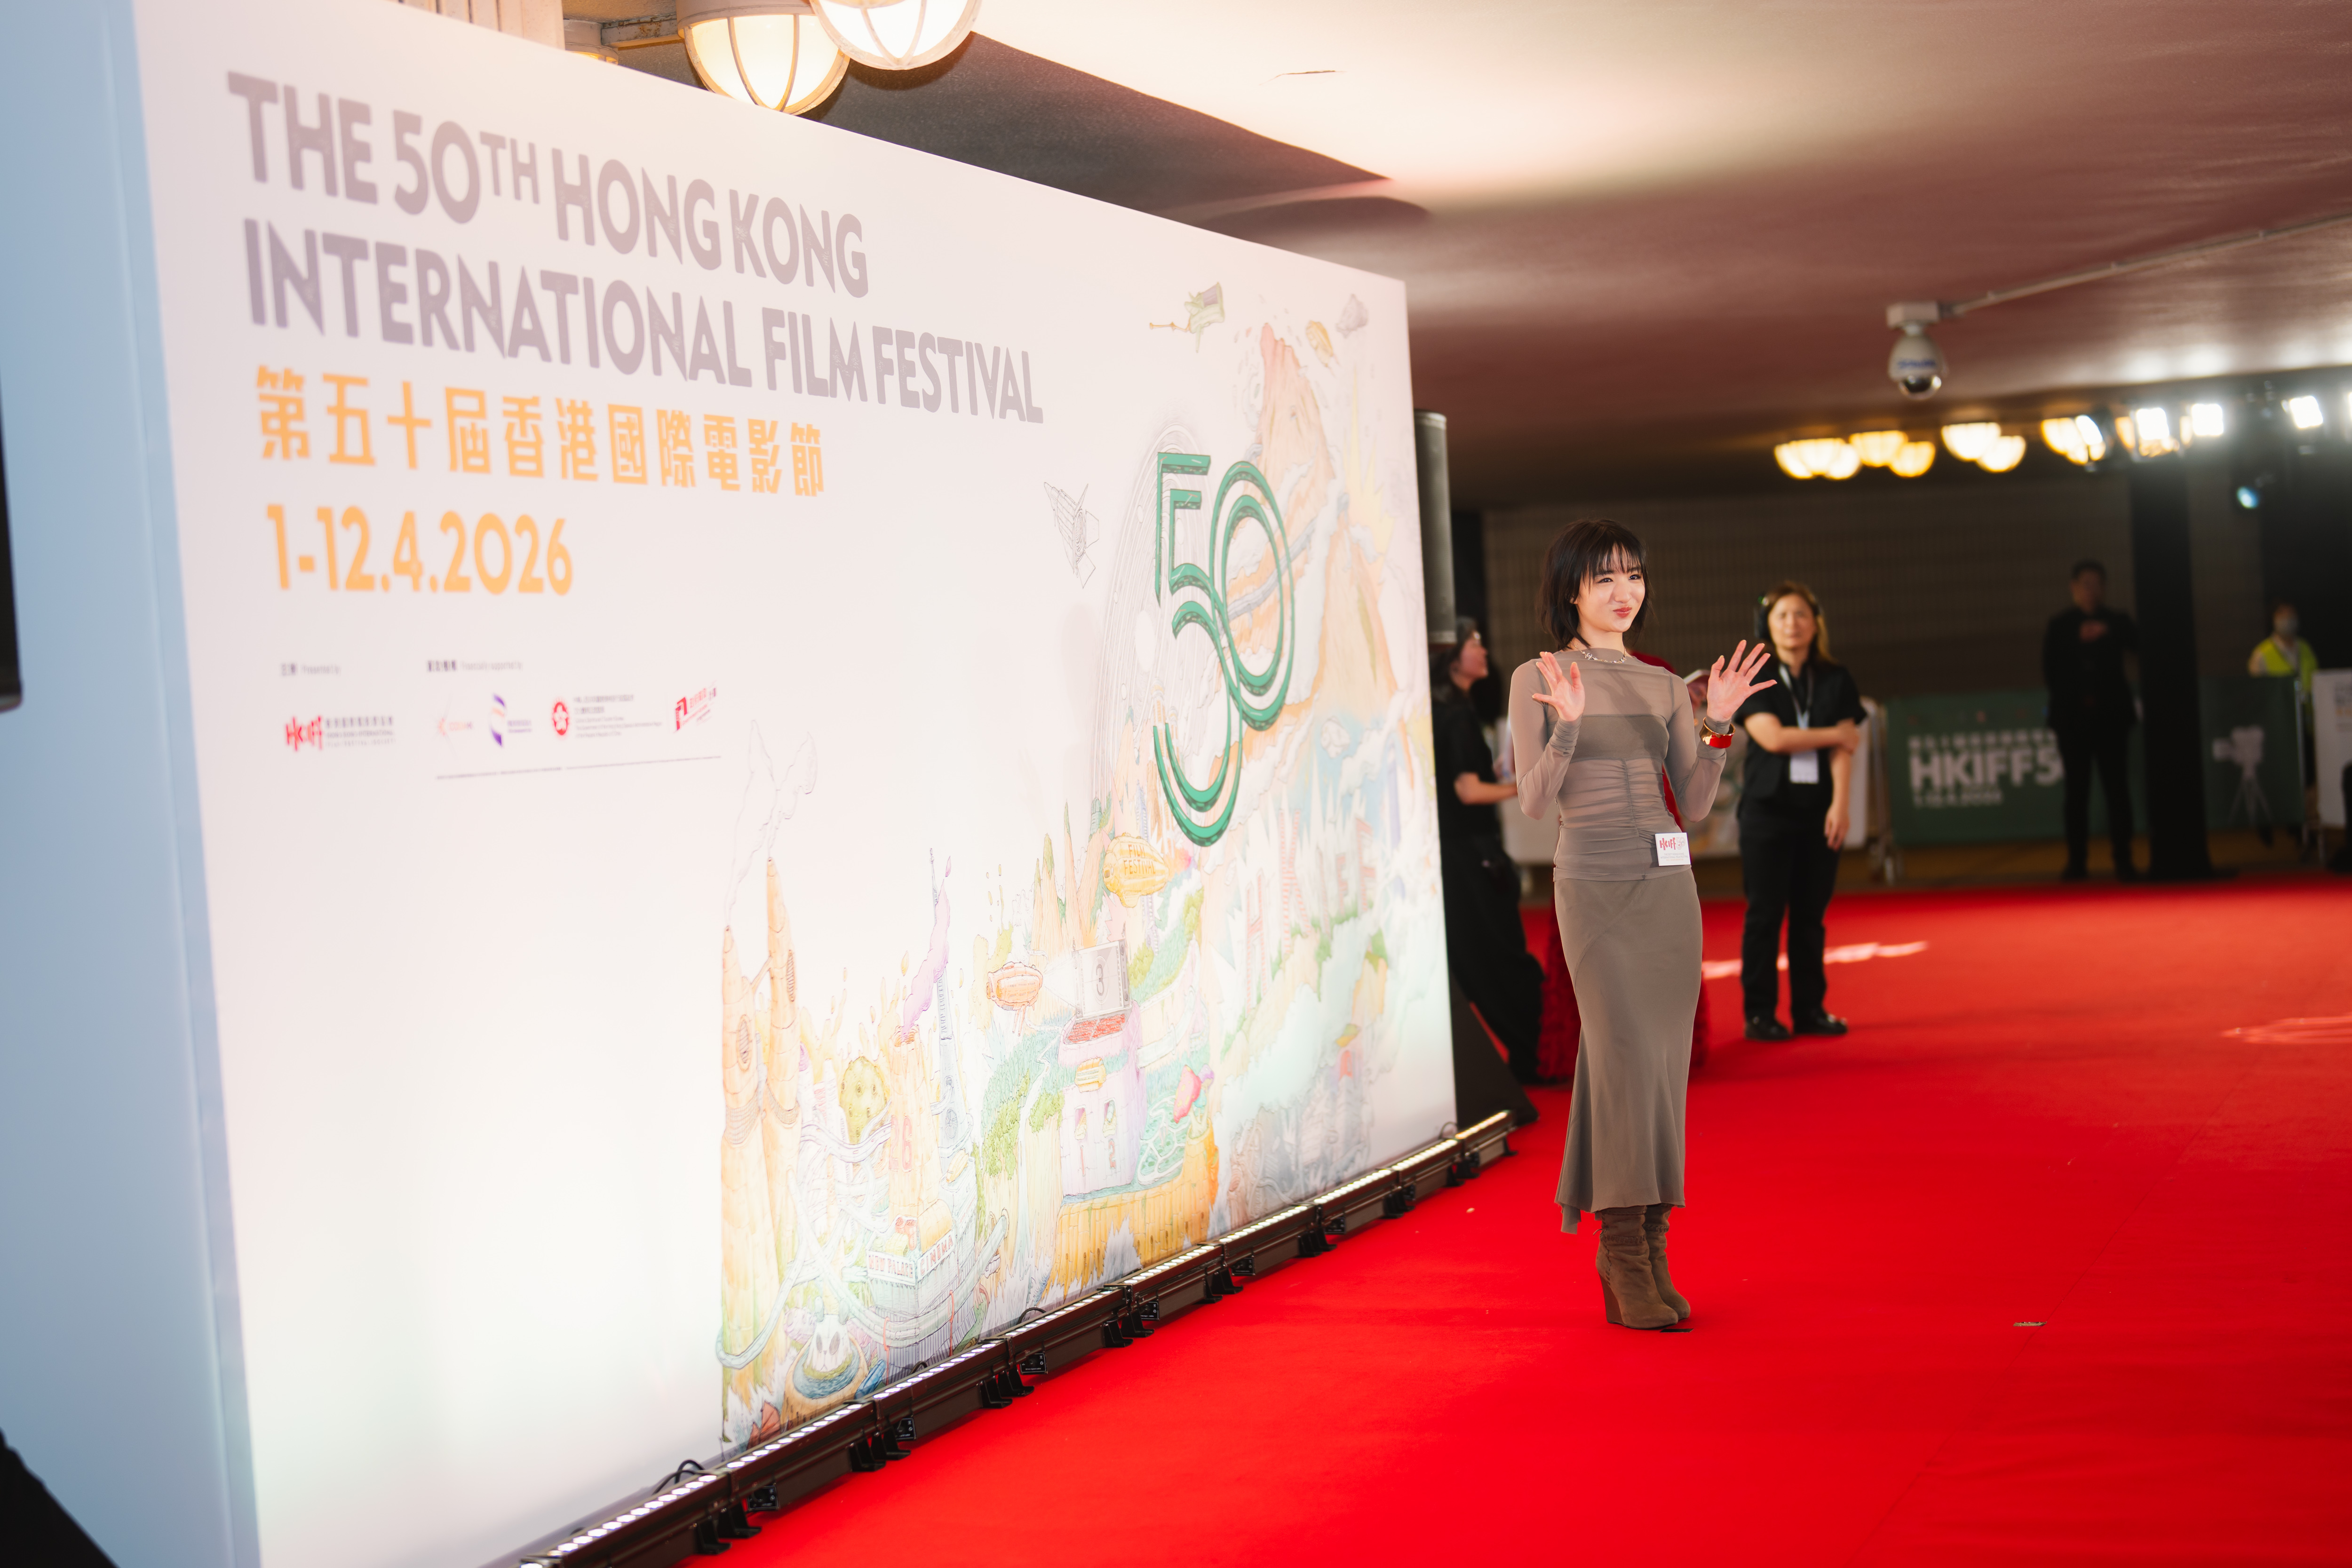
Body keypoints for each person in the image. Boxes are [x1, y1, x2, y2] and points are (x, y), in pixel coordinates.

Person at [1510, 518, 1772, 1332]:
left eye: (1634, 575)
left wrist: (1717, 723)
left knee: (1658, 1068)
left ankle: (1651, 1246)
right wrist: (1569, 725)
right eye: (1605, 578)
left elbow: (1692, 804)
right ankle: (1621, 1249)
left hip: (1668, 890)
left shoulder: (1661, 684)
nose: (1624, 592)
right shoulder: (1537, 676)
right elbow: (1534, 801)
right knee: (1622, 1058)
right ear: (1570, 591)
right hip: (1593, 886)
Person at [1734, 581, 1866, 1042]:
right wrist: (1835, 733)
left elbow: (1847, 749)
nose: (1792, 624)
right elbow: (1773, 738)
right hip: (1767, 813)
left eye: (1801, 615)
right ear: (1767, 626)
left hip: (1818, 812)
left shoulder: (1835, 677)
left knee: (1811, 915)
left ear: (1815, 624)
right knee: (1765, 914)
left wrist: (1840, 804)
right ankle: (1759, 1014)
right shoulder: (1756, 675)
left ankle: (1810, 1009)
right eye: (1782, 616)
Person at [1430, 618, 1550, 1083]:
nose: (1482, 651)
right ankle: (1535, 1049)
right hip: (1469, 855)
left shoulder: (1450, 709)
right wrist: (1522, 787)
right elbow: (1468, 791)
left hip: (1461, 853)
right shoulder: (1455, 715)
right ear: (1451, 657)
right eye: (1473, 644)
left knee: (1487, 956)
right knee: (1499, 955)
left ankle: (1531, 1051)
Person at [2042, 559, 2139, 881]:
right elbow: (2050, 671)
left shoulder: (2117, 621)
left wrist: (2108, 631)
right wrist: (2077, 639)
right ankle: (2077, 862)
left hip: (2111, 719)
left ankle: (2123, 859)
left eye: (2097, 584)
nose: (2092, 590)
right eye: (2086, 584)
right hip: (2073, 722)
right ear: (2074, 587)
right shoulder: (2060, 625)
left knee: (2117, 791)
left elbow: (2139, 642)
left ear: (2104, 588)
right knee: (2076, 793)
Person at [2249, 602, 2321, 786]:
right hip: (2279, 724)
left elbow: (2317, 680)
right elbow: (2256, 693)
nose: (2288, 620)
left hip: (2306, 722)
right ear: (2274, 620)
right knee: (2285, 773)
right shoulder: (2262, 654)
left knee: (2309, 773)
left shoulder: (2305, 648)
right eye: (2283, 616)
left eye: (2292, 615)